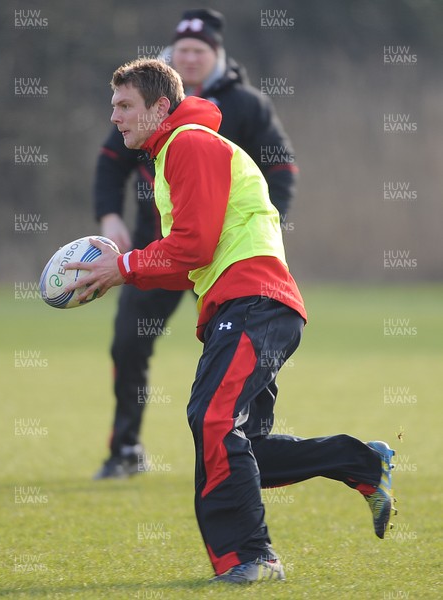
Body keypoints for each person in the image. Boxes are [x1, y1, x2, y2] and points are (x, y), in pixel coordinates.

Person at [66, 59, 397, 584]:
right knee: (244, 443)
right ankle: (361, 463)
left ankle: (254, 557)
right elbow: (190, 262)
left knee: (213, 421)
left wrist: (125, 265)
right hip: (247, 305)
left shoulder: (188, 144)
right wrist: (122, 274)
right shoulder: (171, 153)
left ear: (159, 107)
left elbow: (191, 246)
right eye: (113, 106)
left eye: (125, 106)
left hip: (256, 302)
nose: (116, 116)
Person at [93, 8, 298, 479]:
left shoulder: (245, 104)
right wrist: (109, 216)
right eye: (181, 50)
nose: (188, 57)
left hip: (218, 254)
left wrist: (265, 228)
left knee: (244, 344)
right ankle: (125, 448)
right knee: (129, 343)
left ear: (216, 55)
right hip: (157, 250)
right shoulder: (140, 101)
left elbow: (282, 167)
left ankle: (252, 447)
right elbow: (110, 161)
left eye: (198, 50)